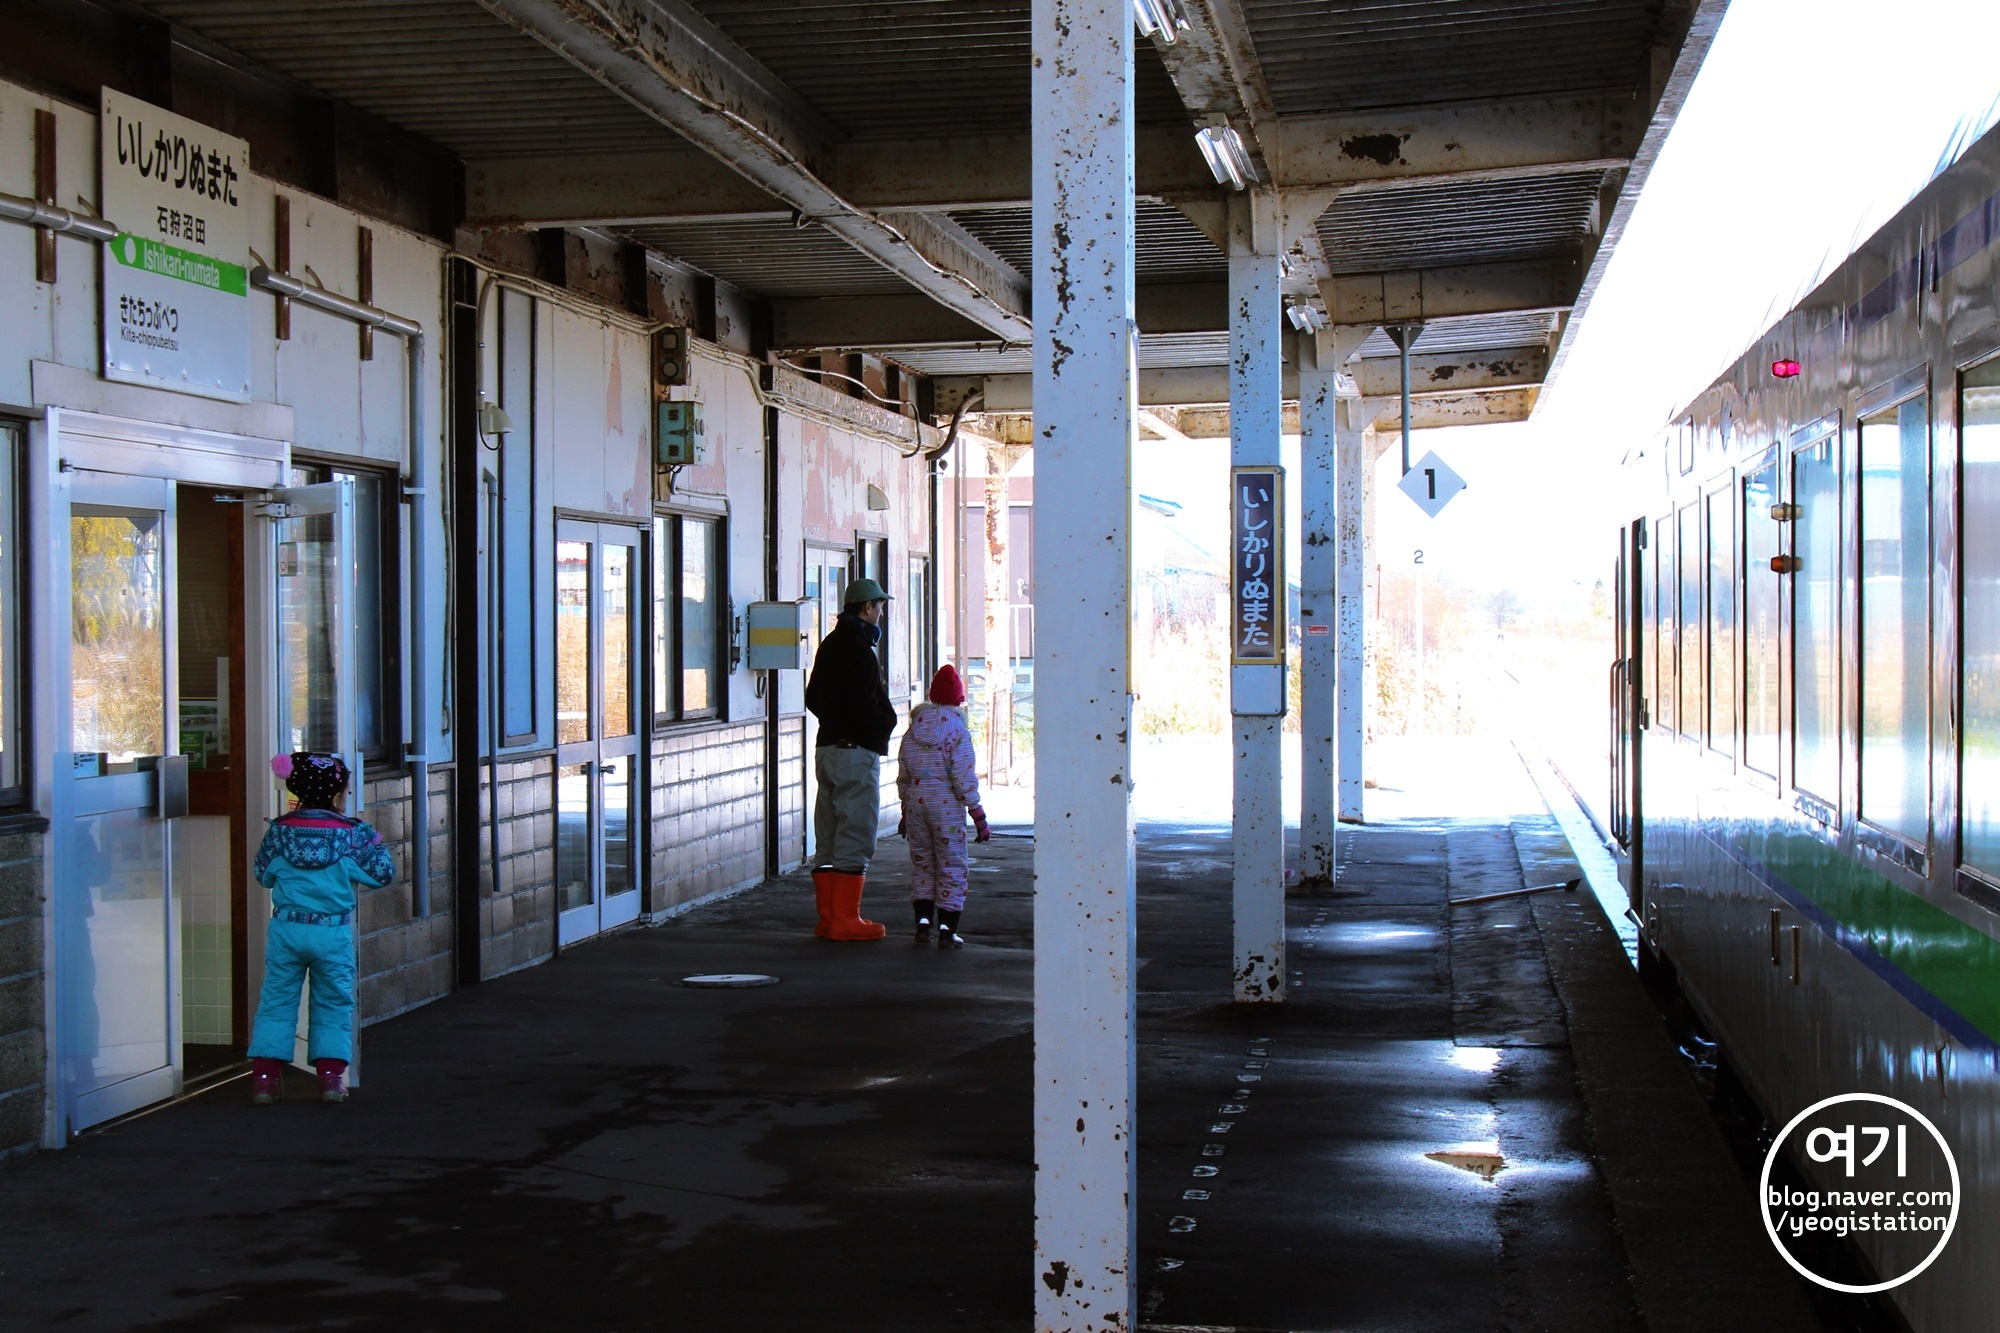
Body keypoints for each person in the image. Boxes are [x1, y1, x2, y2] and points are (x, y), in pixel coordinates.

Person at [247, 752, 395, 1104]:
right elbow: (382, 874)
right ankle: (331, 1080)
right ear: (337, 795)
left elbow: (263, 875)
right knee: (332, 1002)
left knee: (277, 1003)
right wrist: (371, 839)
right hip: (331, 932)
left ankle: (265, 1081)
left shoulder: (279, 833)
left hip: (287, 929)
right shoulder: (351, 836)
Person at [803, 577, 899, 941]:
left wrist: (834, 722)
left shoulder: (830, 644)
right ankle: (846, 920)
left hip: (826, 748)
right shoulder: (860, 649)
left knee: (828, 832)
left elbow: (813, 697)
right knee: (856, 830)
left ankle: (828, 918)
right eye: (879, 606)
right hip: (855, 751)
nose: (881, 613)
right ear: (868, 608)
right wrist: (882, 724)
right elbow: (863, 704)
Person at [897, 664, 990, 949]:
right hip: (946, 808)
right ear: (960, 699)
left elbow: (904, 775)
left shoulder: (912, 731)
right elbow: (963, 777)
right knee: (952, 866)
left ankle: (923, 925)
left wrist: (905, 812)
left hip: (916, 804)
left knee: (923, 864)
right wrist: (978, 815)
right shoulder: (958, 731)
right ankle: (947, 930)